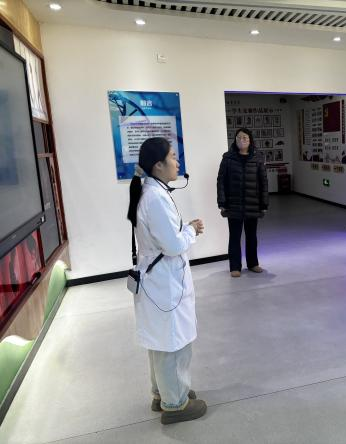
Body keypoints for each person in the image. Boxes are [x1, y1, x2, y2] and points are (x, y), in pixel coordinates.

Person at [127, 137, 207, 425]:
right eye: (173, 156)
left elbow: (164, 237)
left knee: (161, 341)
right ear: (158, 165)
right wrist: (192, 230)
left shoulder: (152, 192)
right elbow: (173, 245)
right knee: (173, 343)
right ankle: (175, 403)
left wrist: (184, 229)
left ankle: (164, 392)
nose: (177, 161)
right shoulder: (156, 198)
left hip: (158, 281)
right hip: (164, 283)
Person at [217, 128, 269, 277]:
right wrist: (222, 202)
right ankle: (235, 267)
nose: (241, 140)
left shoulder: (258, 158)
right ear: (235, 140)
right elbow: (221, 181)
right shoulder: (228, 158)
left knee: (252, 236)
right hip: (233, 204)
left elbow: (263, 182)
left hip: (253, 203)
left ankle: (253, 263)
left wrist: (264, 204)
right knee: (234, 236)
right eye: (238, 138)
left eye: (245, 138)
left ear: (250, 140)